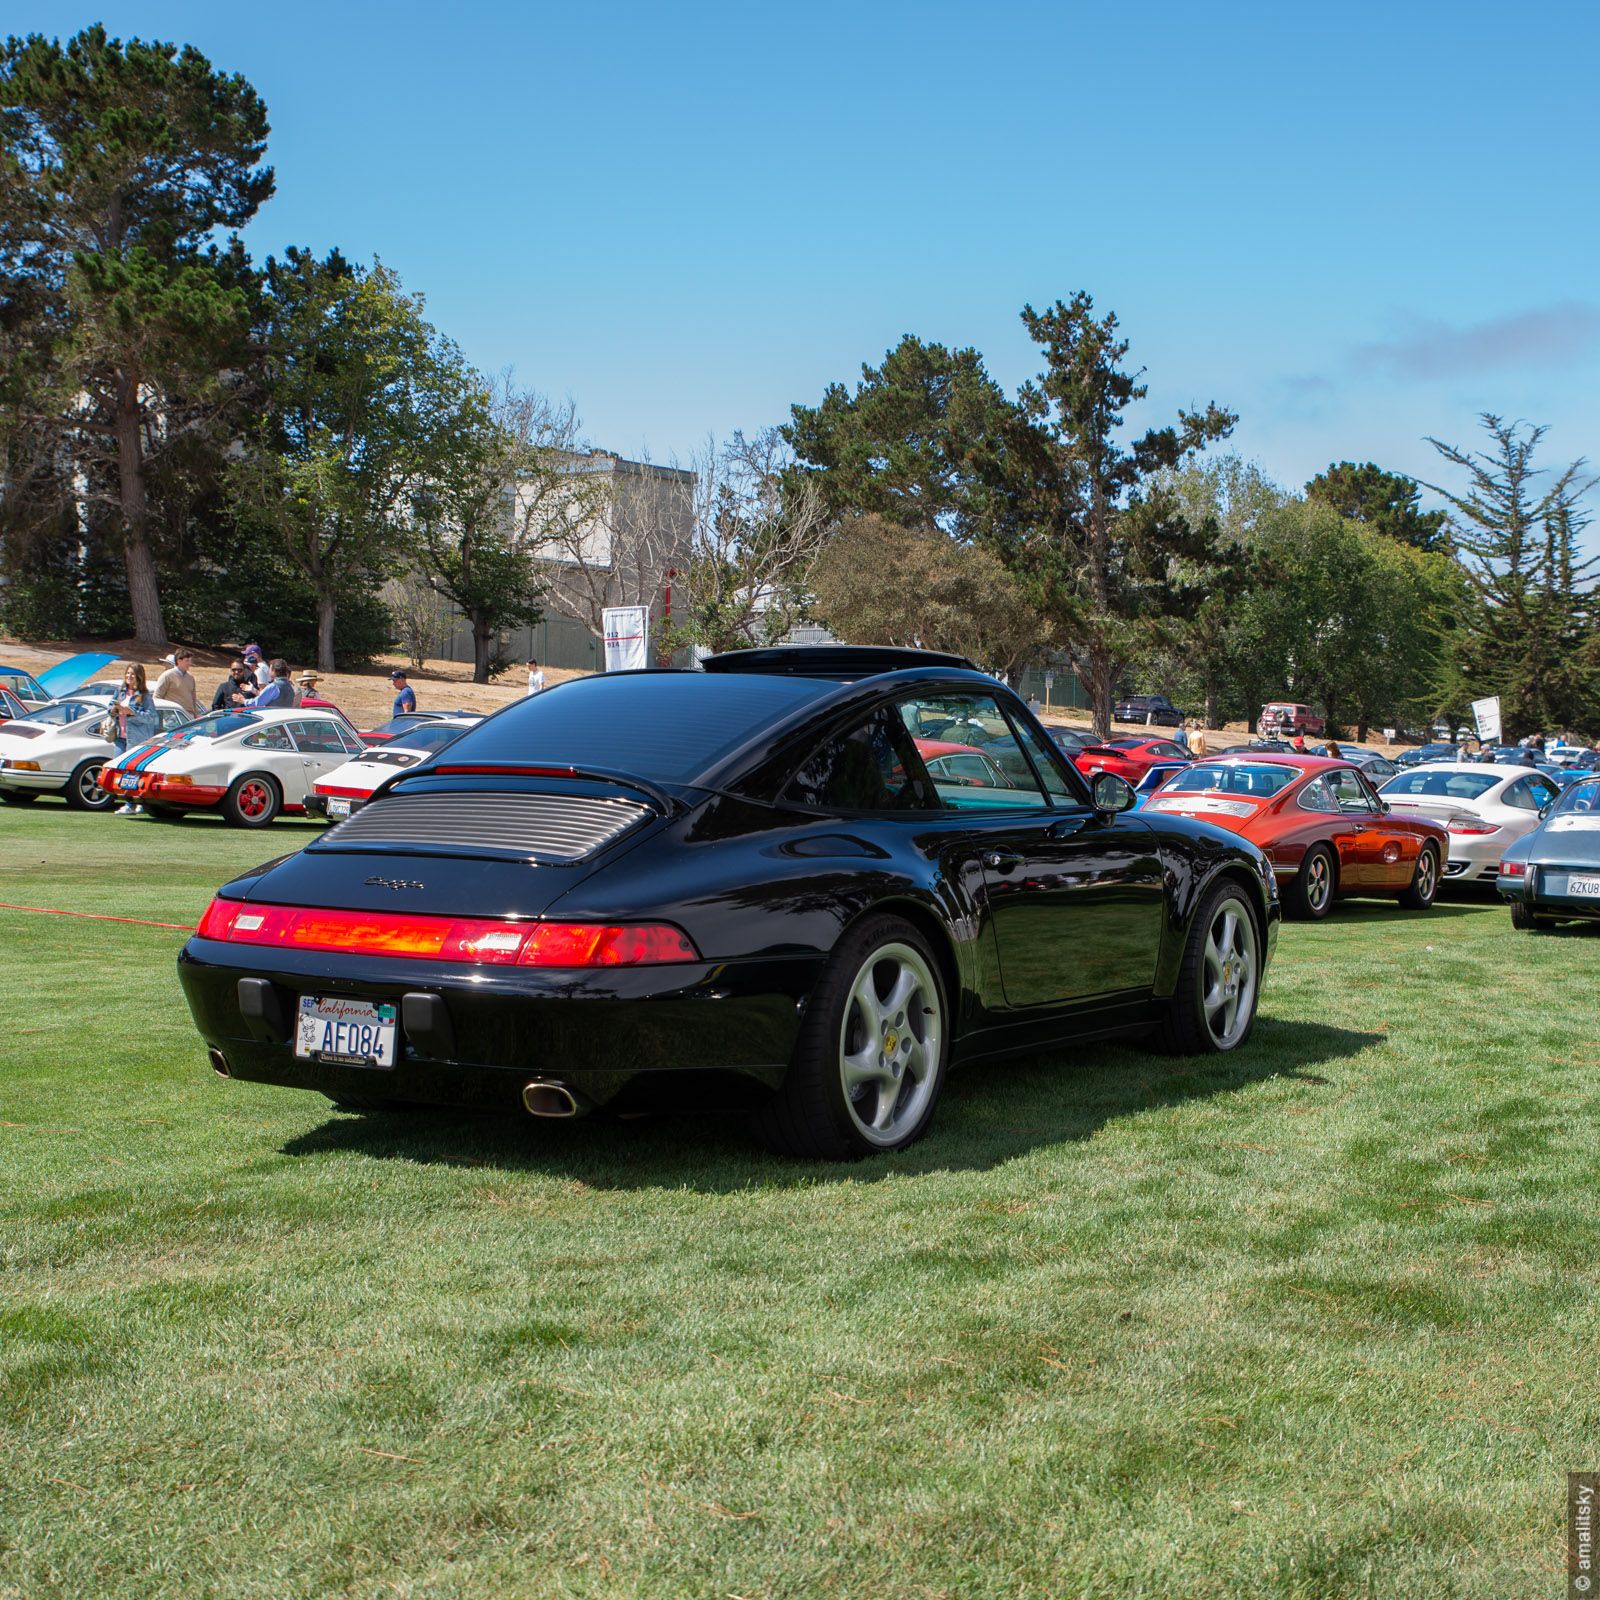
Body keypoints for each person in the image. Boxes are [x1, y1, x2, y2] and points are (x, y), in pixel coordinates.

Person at [111, 663, 159, 817]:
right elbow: (110, 707)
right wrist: (113, 710)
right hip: (120, 737)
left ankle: (133, 803)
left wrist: (132, 712)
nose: (129, 677)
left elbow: (151, 717)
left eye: (132, 674)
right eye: (127, 674)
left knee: (133, 773)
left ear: (139, 676)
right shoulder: (120, 692)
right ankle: (130, 802)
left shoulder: (144, 696)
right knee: (119, 769)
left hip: (136, 738)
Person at [151, 648, 200, 718]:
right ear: (179, 661)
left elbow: (193, 698)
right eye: (187, 661)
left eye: (190, 661)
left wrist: (195, 714)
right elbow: (157, 697)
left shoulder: (190, 677)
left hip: (188, 716)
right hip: (172, 718)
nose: (190, 663)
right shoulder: (167, 676)